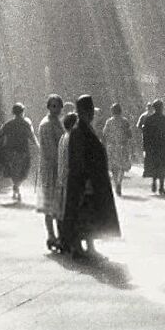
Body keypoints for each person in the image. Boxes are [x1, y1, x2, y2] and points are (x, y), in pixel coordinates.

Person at [63, 95, 120, 258]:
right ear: (84, 112)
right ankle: (78, 246)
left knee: (89, 214)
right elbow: (80, 159)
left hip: (89, 179)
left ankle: (89, 246)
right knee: (83, 214)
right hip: (85, 181)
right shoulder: (79, 131)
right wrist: (86, 180)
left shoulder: (85, 128)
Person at [0, 102, 39, 202]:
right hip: (23, 150)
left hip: (10, 151)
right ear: (23, 112)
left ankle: (16, 185)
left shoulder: (8, 124)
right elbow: (31, 136)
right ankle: (17, 186)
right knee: (24, 170)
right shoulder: (25, 123)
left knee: (14, 170)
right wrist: (38, 146)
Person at [36, 94, 64, 250]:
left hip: (57, 167)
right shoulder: (46, 124)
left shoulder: (56, 122)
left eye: (58, 106)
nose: (56, 109)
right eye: (53, 106)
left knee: (58, 204)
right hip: (50, 168)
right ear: (48, 107)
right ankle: (51, 235)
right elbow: (51, 151)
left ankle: (59, 235)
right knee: (49, 204)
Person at [55, 111, 78, 250]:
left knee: (63, 212)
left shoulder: (64, 137)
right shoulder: (72, 139)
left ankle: (63, 240)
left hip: (63, 179)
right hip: (70, 179)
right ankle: (70, 242)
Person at [141, 99, 165, 195]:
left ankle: (154, 181)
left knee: (154, 164)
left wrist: (145, 146)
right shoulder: (164, 119)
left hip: (152, 147)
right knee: (162, 166)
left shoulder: (149, 119)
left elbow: (145, 134)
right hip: (162, 147)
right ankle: (161, 187)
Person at [103, 102, 132, 196]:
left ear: (112, 111)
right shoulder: (125, 121)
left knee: (113, 167)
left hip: (111, 146)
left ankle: (116, 183)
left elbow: (105, 133)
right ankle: (119, 182)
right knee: (122, 166)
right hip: (122, 146)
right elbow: (129, 134)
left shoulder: (109, 121)